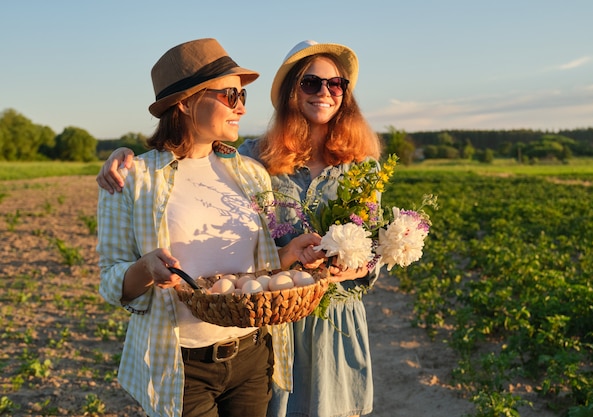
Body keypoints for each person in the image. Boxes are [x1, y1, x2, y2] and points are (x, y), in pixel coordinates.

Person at [97, 40, 382, 417]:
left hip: (256, 350)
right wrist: (144, 267)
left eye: (242, 94)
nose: (242, 106)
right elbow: (110, 282)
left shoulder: (248, 173)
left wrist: (292, 256)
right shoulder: (139, 178)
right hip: (183, 358)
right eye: (231, 94)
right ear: (184, 101)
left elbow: (259, 267)